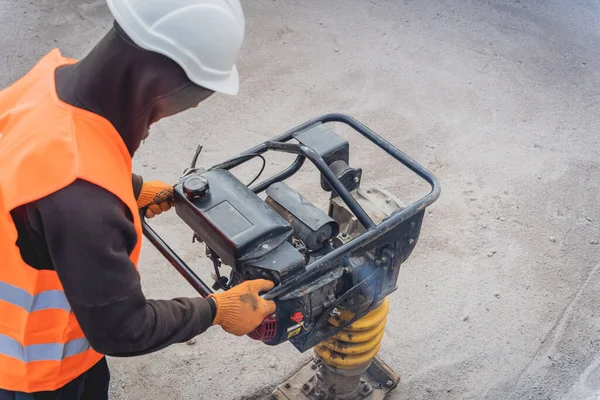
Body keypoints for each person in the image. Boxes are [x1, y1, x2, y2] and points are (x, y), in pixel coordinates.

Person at [0, 0, 276, 398]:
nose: (193, 106)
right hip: (32, 371)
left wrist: (129, 189)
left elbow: (38, 158)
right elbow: (122, 329)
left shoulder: (49, 83)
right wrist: (216, 310)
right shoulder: (81, 200)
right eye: (195, 95)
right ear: (155, 81)